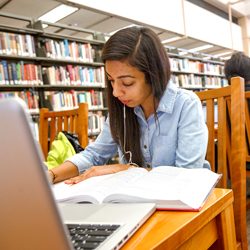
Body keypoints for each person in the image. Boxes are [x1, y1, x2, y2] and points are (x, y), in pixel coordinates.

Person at [48, 26, 209, 185]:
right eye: (111, 81)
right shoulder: (123, 109)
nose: (116, 92)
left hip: (184, 201)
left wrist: (126, 170)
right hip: (139, 197)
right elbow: (94, 155)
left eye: (127, 82)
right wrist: (50, 175)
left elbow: (186, 174)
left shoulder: (186, 105)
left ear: (153, 75)